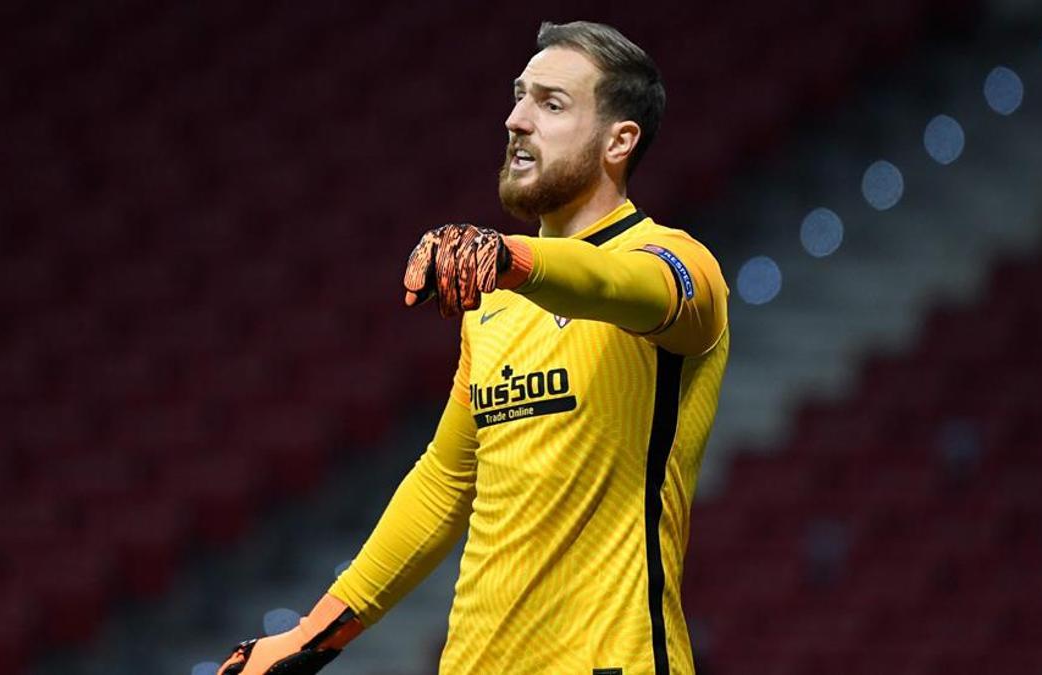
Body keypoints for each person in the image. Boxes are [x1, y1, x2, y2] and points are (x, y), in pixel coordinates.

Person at [216, 19, 729, 675]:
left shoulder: (678, 268)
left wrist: (513, 259)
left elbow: (617, 283)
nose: (516, 119)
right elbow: (446, 481)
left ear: (618, 140)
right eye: (518, 96)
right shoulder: (495, 304)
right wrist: (313, 635)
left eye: (551, 103)